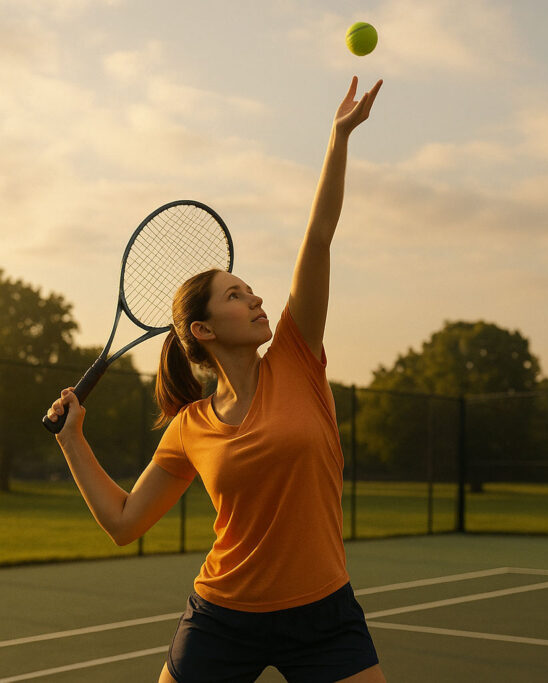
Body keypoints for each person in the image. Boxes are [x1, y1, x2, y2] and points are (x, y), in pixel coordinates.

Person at [46, 76, 385, 683]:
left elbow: (319, 237)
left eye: (251, 290)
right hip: (222, 618)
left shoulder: (297, 357)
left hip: (323, 615)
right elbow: (124, 523)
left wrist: (339, 140)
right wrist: (73, 439)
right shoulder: (189, 427)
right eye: (236, 295)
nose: (256, 299)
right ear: (202, 330)